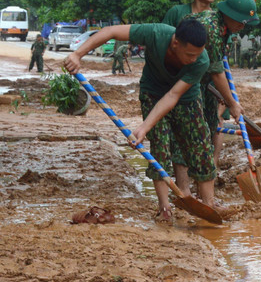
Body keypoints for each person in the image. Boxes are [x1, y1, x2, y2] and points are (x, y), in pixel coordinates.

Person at [64, 19, 226, 222]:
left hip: (186, 99)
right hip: (153, 93)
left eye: (198, 54)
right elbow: (111, 31)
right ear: (175, 43)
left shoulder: (201, 61)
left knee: (200, 149)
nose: (195, 59)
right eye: (190, 54)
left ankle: (208, 205)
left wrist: (143, 126)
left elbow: (173, 96)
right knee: (160, 148)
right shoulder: (156, 34)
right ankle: (164, 208)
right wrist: (78, 54)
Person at [183, 0, 258, 169]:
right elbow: (217, 72)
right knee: (194, 132)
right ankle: (193, 177)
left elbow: (215, 66)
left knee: (210, 126)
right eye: (240, 22)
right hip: (187, 82)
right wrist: (232, 103)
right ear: (229, 16)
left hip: (203, 81)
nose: (242, 27)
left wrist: (224, 99)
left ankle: (205, 173)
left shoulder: (223, 27)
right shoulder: (211, 28)